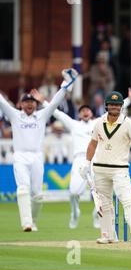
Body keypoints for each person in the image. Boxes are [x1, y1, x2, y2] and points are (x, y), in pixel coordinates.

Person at [31, 88, 131, 229]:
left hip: (97, 159)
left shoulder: (98, 121)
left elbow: (116, 106)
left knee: (102, 193)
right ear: (79, 113)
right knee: (73, 192)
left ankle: (97, 216)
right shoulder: (74, 124)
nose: (85, 112)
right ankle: (75, 213)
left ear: (91, 112)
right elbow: (57, 113)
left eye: (87, 110)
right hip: (79, 160)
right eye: (82, 110)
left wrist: (129, 99)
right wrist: (43, 102)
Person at [0, 69, 78, 232]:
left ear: (36, 104)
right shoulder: (15, 115)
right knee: (22, 189)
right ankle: (26, 223)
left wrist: (64, 86)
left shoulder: (42, 115)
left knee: (37, 195)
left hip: (37, 157)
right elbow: (2, 102)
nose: (29, 104)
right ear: (21, 104)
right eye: (26, 102)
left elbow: (56, 102)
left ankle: (33, 222)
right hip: (20, 156)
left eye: (32, 102)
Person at [80, 91, 131, 244]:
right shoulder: (99, 122)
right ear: (107, 106)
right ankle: (108, 235)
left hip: (119, 168)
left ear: (121, 106)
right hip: (100, 168)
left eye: (117, 105)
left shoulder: (128, 123)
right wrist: (87, 163)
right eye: (112, 104)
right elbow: (93, 144)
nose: (114, 107)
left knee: (129, 198)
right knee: (104, 204)